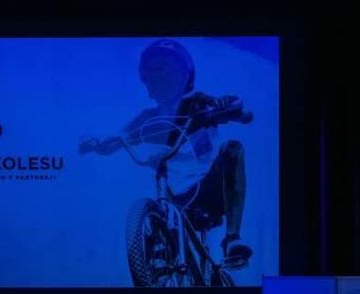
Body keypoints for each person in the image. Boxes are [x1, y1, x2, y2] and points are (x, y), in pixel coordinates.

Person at [79, 39, 253, 267]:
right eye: (152, 72)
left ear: (183, 75)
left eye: (163, 68)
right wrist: (96, 144)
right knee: (160, 195)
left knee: (233, 149)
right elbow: (116, 141)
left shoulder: (199, 105)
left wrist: (230, 107)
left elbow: (239, 112)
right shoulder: (148, 120)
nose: (158, 76)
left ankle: (232, 239)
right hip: (175, 193)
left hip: (210, 186)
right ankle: (159, 251)